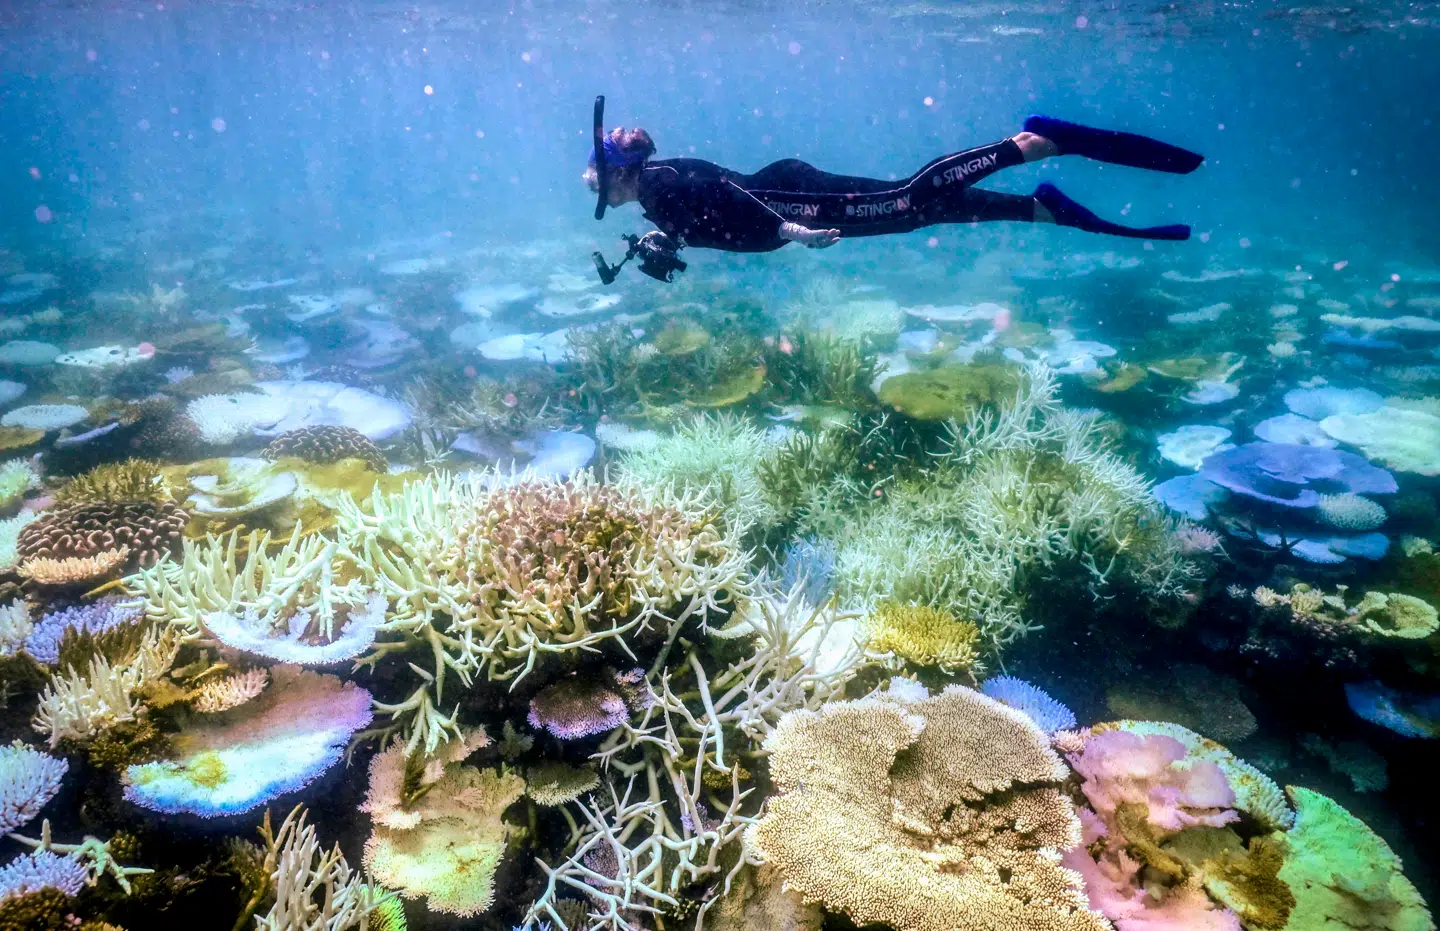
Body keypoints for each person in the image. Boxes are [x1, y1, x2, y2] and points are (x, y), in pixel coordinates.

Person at [582, 115, 1202, 252]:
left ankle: (1027, 145)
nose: (595, 192)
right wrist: (657, 245)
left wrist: (788, 228)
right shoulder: (655, 198)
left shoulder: (661, 182)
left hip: (792, 200)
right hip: (786, 201)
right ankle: (1034, 209)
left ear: (620, 173)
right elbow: (704, 223)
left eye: (595, 182)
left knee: (907, 198)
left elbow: (720, 190)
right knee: (913, 214)